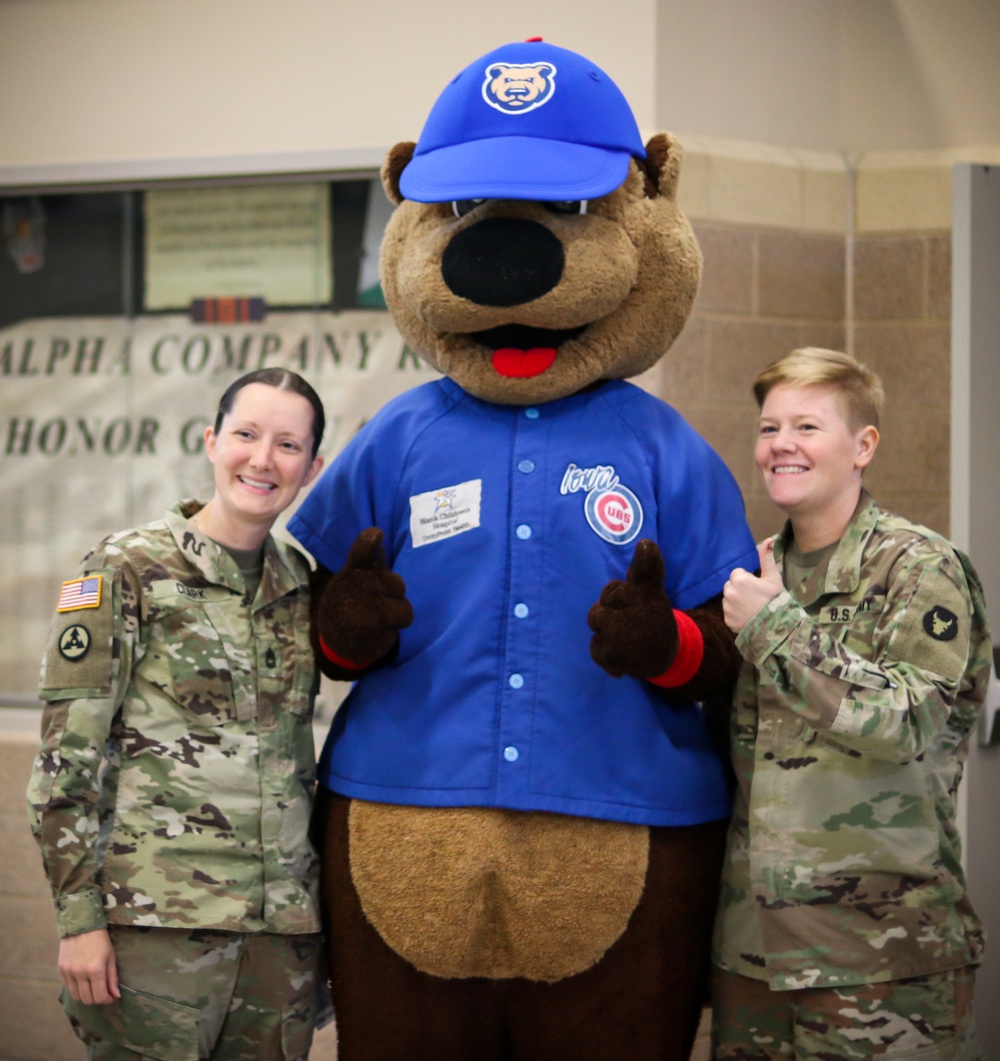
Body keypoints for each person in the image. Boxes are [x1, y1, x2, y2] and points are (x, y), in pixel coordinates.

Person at [27, 368, 327, 1061]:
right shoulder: (123, 567)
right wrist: (79, 920)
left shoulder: (302, 585)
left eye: (287, 445)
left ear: (311, 468)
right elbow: (62, 763)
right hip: (152, 932)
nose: (262, 459)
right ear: (211, 440)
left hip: (279, 943)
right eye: (246, 434)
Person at [713, 347, 991, 1060]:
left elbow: (910, 722)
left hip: (880, 957)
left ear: (863, 445)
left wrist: (774, 626)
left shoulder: (920, 566)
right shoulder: (752, 571)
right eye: (770, 427)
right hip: (754, 956)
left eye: (807, 426)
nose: (781, 444)